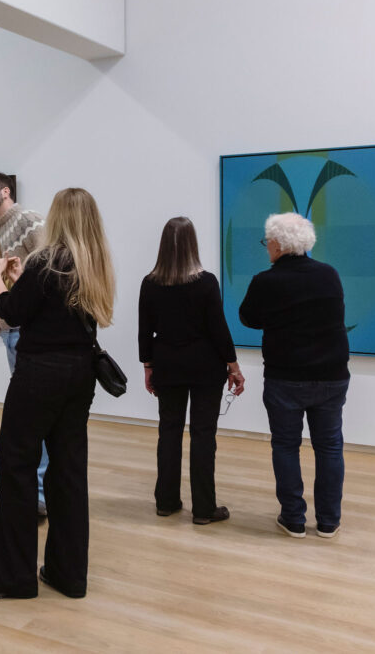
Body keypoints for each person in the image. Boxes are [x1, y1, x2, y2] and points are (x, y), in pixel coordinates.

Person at [0, 187, 115, 600]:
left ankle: (12, 577)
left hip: (38, 375)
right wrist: (21, 283)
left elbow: (12, 312)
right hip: (79, 376)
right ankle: (68, 575)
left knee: (16, 467)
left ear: (59, 217)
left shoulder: (47, 260)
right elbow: (50, 307)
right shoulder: (94, 264)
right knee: (68, 472)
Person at [239, 212, 350, 539]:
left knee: (286, 446)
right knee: (330, 447)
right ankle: (328, 521)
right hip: (331, 376)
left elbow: (248, 318)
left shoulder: (266, 281)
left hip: (285, 378)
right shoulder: (329, 274)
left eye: (267, 241)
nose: (266, 247)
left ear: (277, 244)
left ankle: (294, 519)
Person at [138, 217, 244, 525]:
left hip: (167, 364)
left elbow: (144, 330)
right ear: (192, 245)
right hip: (205, 366)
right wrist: (233, 366)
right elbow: (219, 329)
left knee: (169, 432)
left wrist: (148, 366)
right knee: (203, 434)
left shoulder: (150, 283)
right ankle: (203, 509)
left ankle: (166, 501)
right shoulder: (206, 282)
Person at [0, 172, 49, 516]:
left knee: (34, 415)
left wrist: (25, 315)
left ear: (6, 191)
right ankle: (33, 491)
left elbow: (48, 272)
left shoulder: (30, 221)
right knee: (27, 415)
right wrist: (1, 317)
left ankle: (40, 494)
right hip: (11, 329)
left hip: (28, 332)